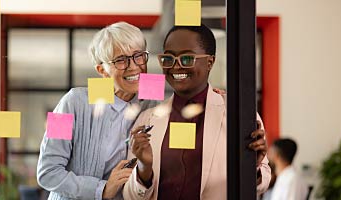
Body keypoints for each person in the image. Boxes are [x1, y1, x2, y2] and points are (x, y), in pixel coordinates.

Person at [123, 24, 271, 199]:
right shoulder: (147, 119)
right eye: (168, 59)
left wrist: (251, 167)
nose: (176, 67)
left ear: (210, 62)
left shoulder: (237, 114)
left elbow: (261, 185)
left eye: (186, 59)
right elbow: (130, 196)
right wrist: (144, 169)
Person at [37, 22, 156, 200]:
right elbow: (47, 172)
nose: (133, 66)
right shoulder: (71, 101)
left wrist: (211, 96)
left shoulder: (151, 105)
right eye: (121, 60)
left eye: (138, 56)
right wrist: (101, 189)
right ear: (103, 70)